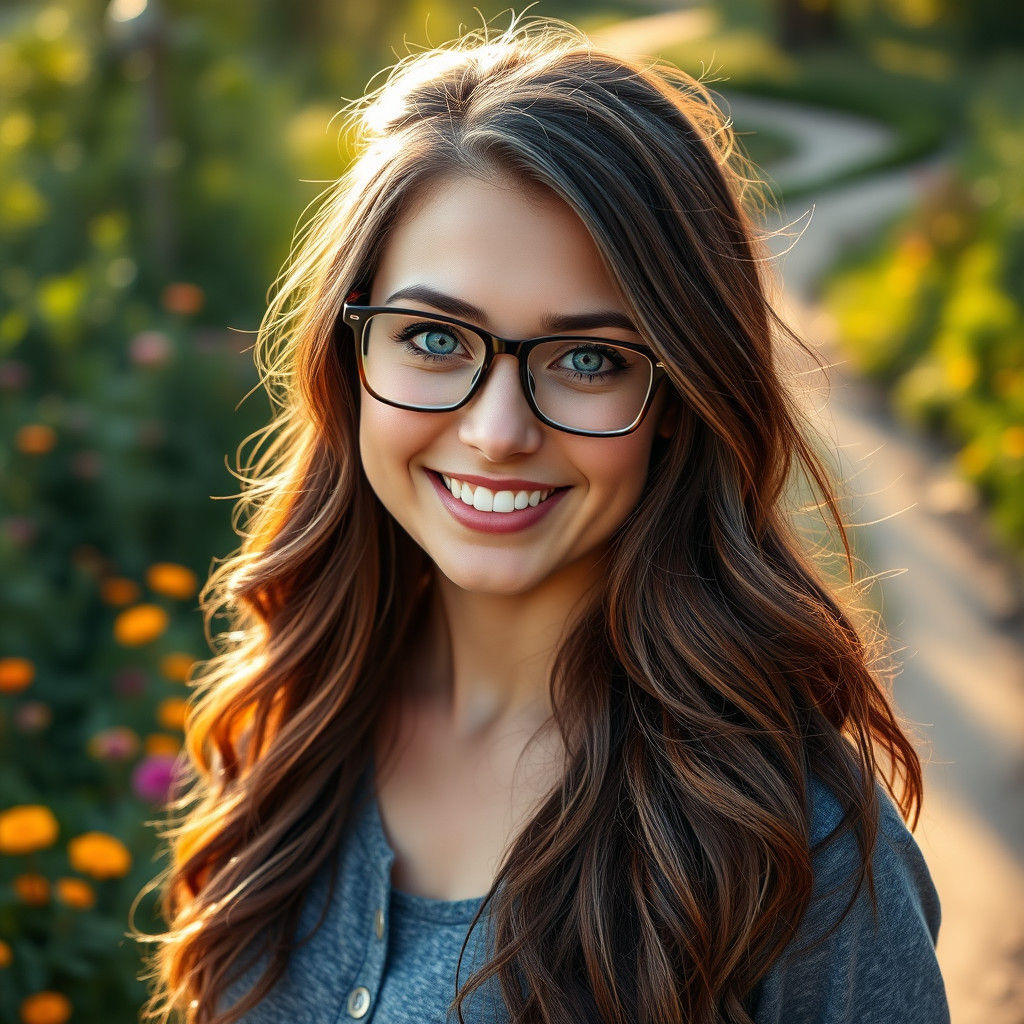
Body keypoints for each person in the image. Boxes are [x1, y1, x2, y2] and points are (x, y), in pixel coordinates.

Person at [135, 14, 950, 1024]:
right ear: (349, 362)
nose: (495, 429)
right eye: (432, 336)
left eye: (588, 358)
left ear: (683, 398)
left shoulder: (794, 846)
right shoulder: (288, 724)